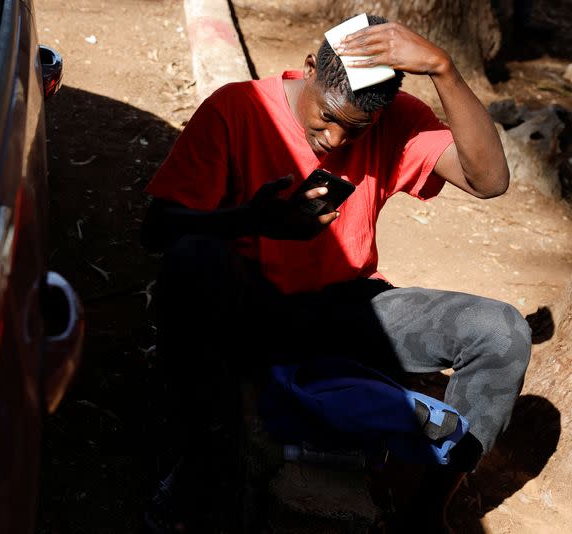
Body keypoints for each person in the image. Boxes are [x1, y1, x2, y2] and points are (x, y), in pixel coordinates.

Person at [140, 15, 532, 533]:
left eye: (356, 130)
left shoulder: (395, 119)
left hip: (349, 311)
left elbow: (490, 180)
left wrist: (444, 68)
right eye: (326, 116)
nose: (335, 139)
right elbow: (157, 227)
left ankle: (425, 508)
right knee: (193, 261)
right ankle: (202, 466)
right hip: (249, 309)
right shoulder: (239, 108)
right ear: (309, 68)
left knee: (501, 331)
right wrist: (252, 220)